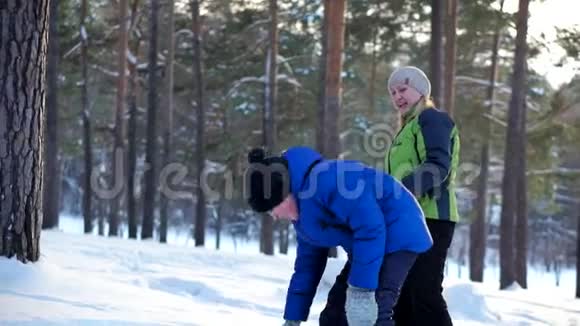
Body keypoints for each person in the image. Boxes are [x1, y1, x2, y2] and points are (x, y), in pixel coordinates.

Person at [244, 146, 433, 326]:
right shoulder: (303, 215)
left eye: (272, 210)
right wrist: (293, 318)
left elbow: (370, 228)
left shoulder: (329, 181)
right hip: (368, 245)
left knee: (372, 312)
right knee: (334, 315)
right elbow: (307, 266)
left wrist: (361, 291)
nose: (275, 217)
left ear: (284, 194)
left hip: (399, 229)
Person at [386, 66, 461, 326]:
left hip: (432, 218)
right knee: (403, 294)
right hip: (409, 219)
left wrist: (396, 193)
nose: (397, 96)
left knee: (423, 292)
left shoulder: (432, 118)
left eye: (403, 89)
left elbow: (438, 165)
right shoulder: (407, 129)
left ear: (420, 90)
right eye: (393, 92)